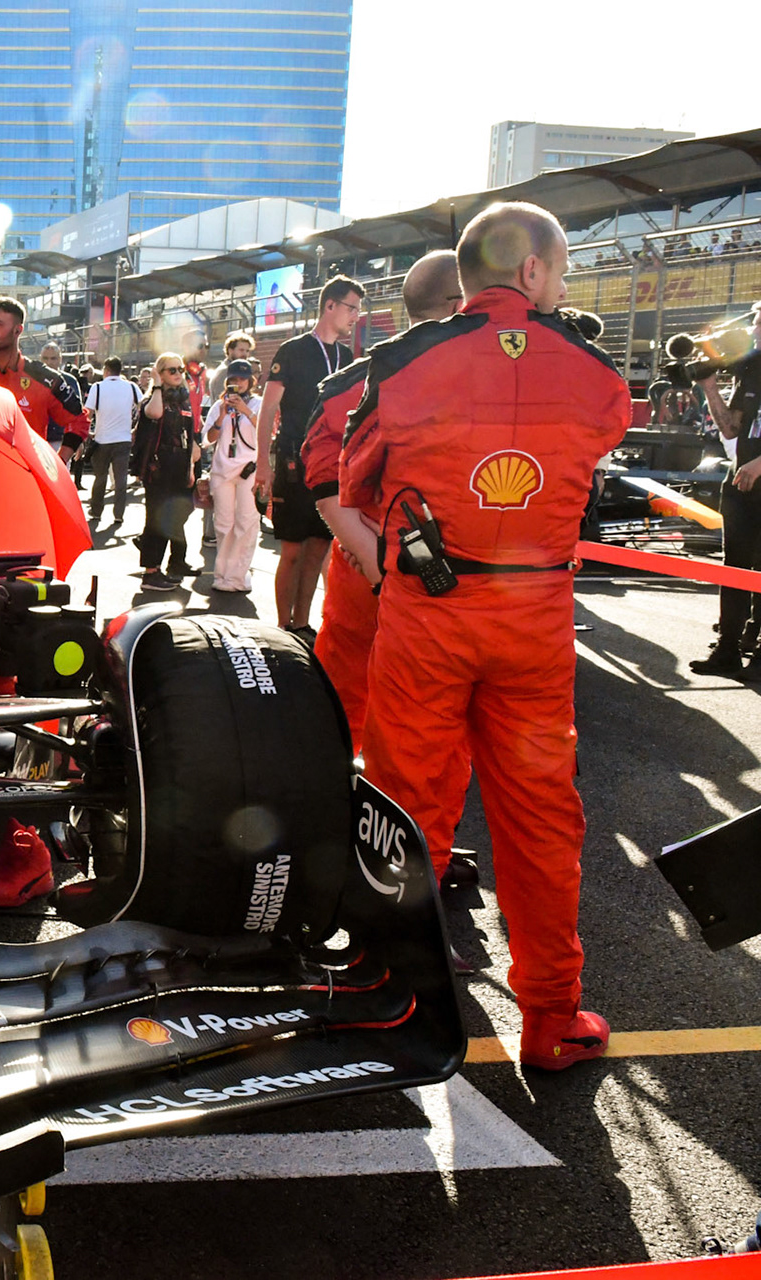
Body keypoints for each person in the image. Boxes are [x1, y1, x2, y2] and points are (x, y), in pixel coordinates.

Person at [340, 202, 628, 1069]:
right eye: (564, 269)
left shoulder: (400, 362)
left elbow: (354, 479)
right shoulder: (592, 371)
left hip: (429, 612)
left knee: (406, 805)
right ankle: (551, 1015)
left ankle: (394, 995)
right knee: (542, 817)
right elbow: (604, 432)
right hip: (535, 618)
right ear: (533, 271)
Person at [304, 250, 465, 744]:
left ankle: (343, 795)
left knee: (342, 708)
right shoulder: (495, 377)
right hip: (456, 581)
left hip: (364, 566)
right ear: (460, 304)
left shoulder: (346, 384)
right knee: (430, 726)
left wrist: (375, 568)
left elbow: (323, 486)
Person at [258, 276, 366, 638]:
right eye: (352, 308)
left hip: (332, 464)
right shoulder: (293, 350)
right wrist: (262, 462)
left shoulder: (348, 357)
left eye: (358, 310)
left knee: (319, 549)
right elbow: (268, 408)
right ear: (330, 306)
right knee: (291, 550)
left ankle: (302, 625)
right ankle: (281, 626)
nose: (356, 317)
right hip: (292, 459)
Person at [689, 301, 761, 676]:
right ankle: (728, 649)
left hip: (754, 473)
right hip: (741, 484)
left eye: (760, 323)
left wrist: (759, 463)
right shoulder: (751, 372)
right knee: (734, 567)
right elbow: (731, 428)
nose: (754, 330)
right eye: (755, 323)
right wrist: (710, 387)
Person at [0, 296, 85, 462]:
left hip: (29, 476)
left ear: (18, 330)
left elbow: (79, 419)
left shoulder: (44, 378)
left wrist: (58, 462)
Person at [134, 353, 199, 590]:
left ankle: (176, 562)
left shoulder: (183, 399)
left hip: (180, 465)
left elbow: (189, 434)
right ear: (159, 374)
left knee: (180, 512)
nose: (178, 374)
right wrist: (158, 386)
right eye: (171, 370)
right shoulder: (154, 398)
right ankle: (151, 572)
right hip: (158, 467)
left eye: (180, 369)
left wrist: (191, 466)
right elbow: (154, 414)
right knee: (157, 519)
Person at [202, 359, 262, 593]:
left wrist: (246, 411)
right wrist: (221, 416)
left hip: (249, 470)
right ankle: (222, 575)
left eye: (243, 379)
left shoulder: (258, 403)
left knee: (247, 522)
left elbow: (270, 433)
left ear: (250, 381)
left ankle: (238, 575)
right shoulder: (219, 406)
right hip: (222, 471)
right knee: (224, 523)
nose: (238, 383)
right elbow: (207, 439)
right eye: (233, 379)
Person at [84, 356, 142, 528]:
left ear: (106, 370)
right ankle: (119, 515)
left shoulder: (98, 387)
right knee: (121, 479)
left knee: (100, 477)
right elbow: (142, 408)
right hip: (123, 439)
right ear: (120, 370)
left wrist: (89, 433)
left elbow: (88, 413)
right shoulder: (131, 387)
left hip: (102, 439)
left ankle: (96, 511)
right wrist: (135, 429)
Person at [208, 330, 256, 399]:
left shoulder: (233, 369)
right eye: (241, 350)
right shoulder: (225, 371)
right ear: (230, 350)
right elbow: (222, 399)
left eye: (247, 351)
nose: (245, 354)